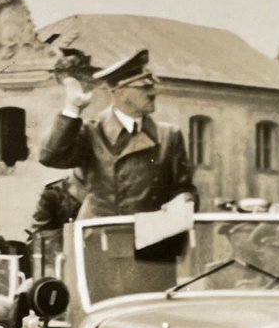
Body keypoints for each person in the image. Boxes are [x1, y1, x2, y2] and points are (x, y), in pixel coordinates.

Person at [38, 48, 196, 218]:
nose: (153, 92)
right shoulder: (92, 133)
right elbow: (50, 157)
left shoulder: (169, 136)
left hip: (151, 232)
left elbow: (183, 188)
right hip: (102, 232)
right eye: (144, 87)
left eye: (152, 85)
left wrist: (185, 199)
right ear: (120, 92)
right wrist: (72, 108)